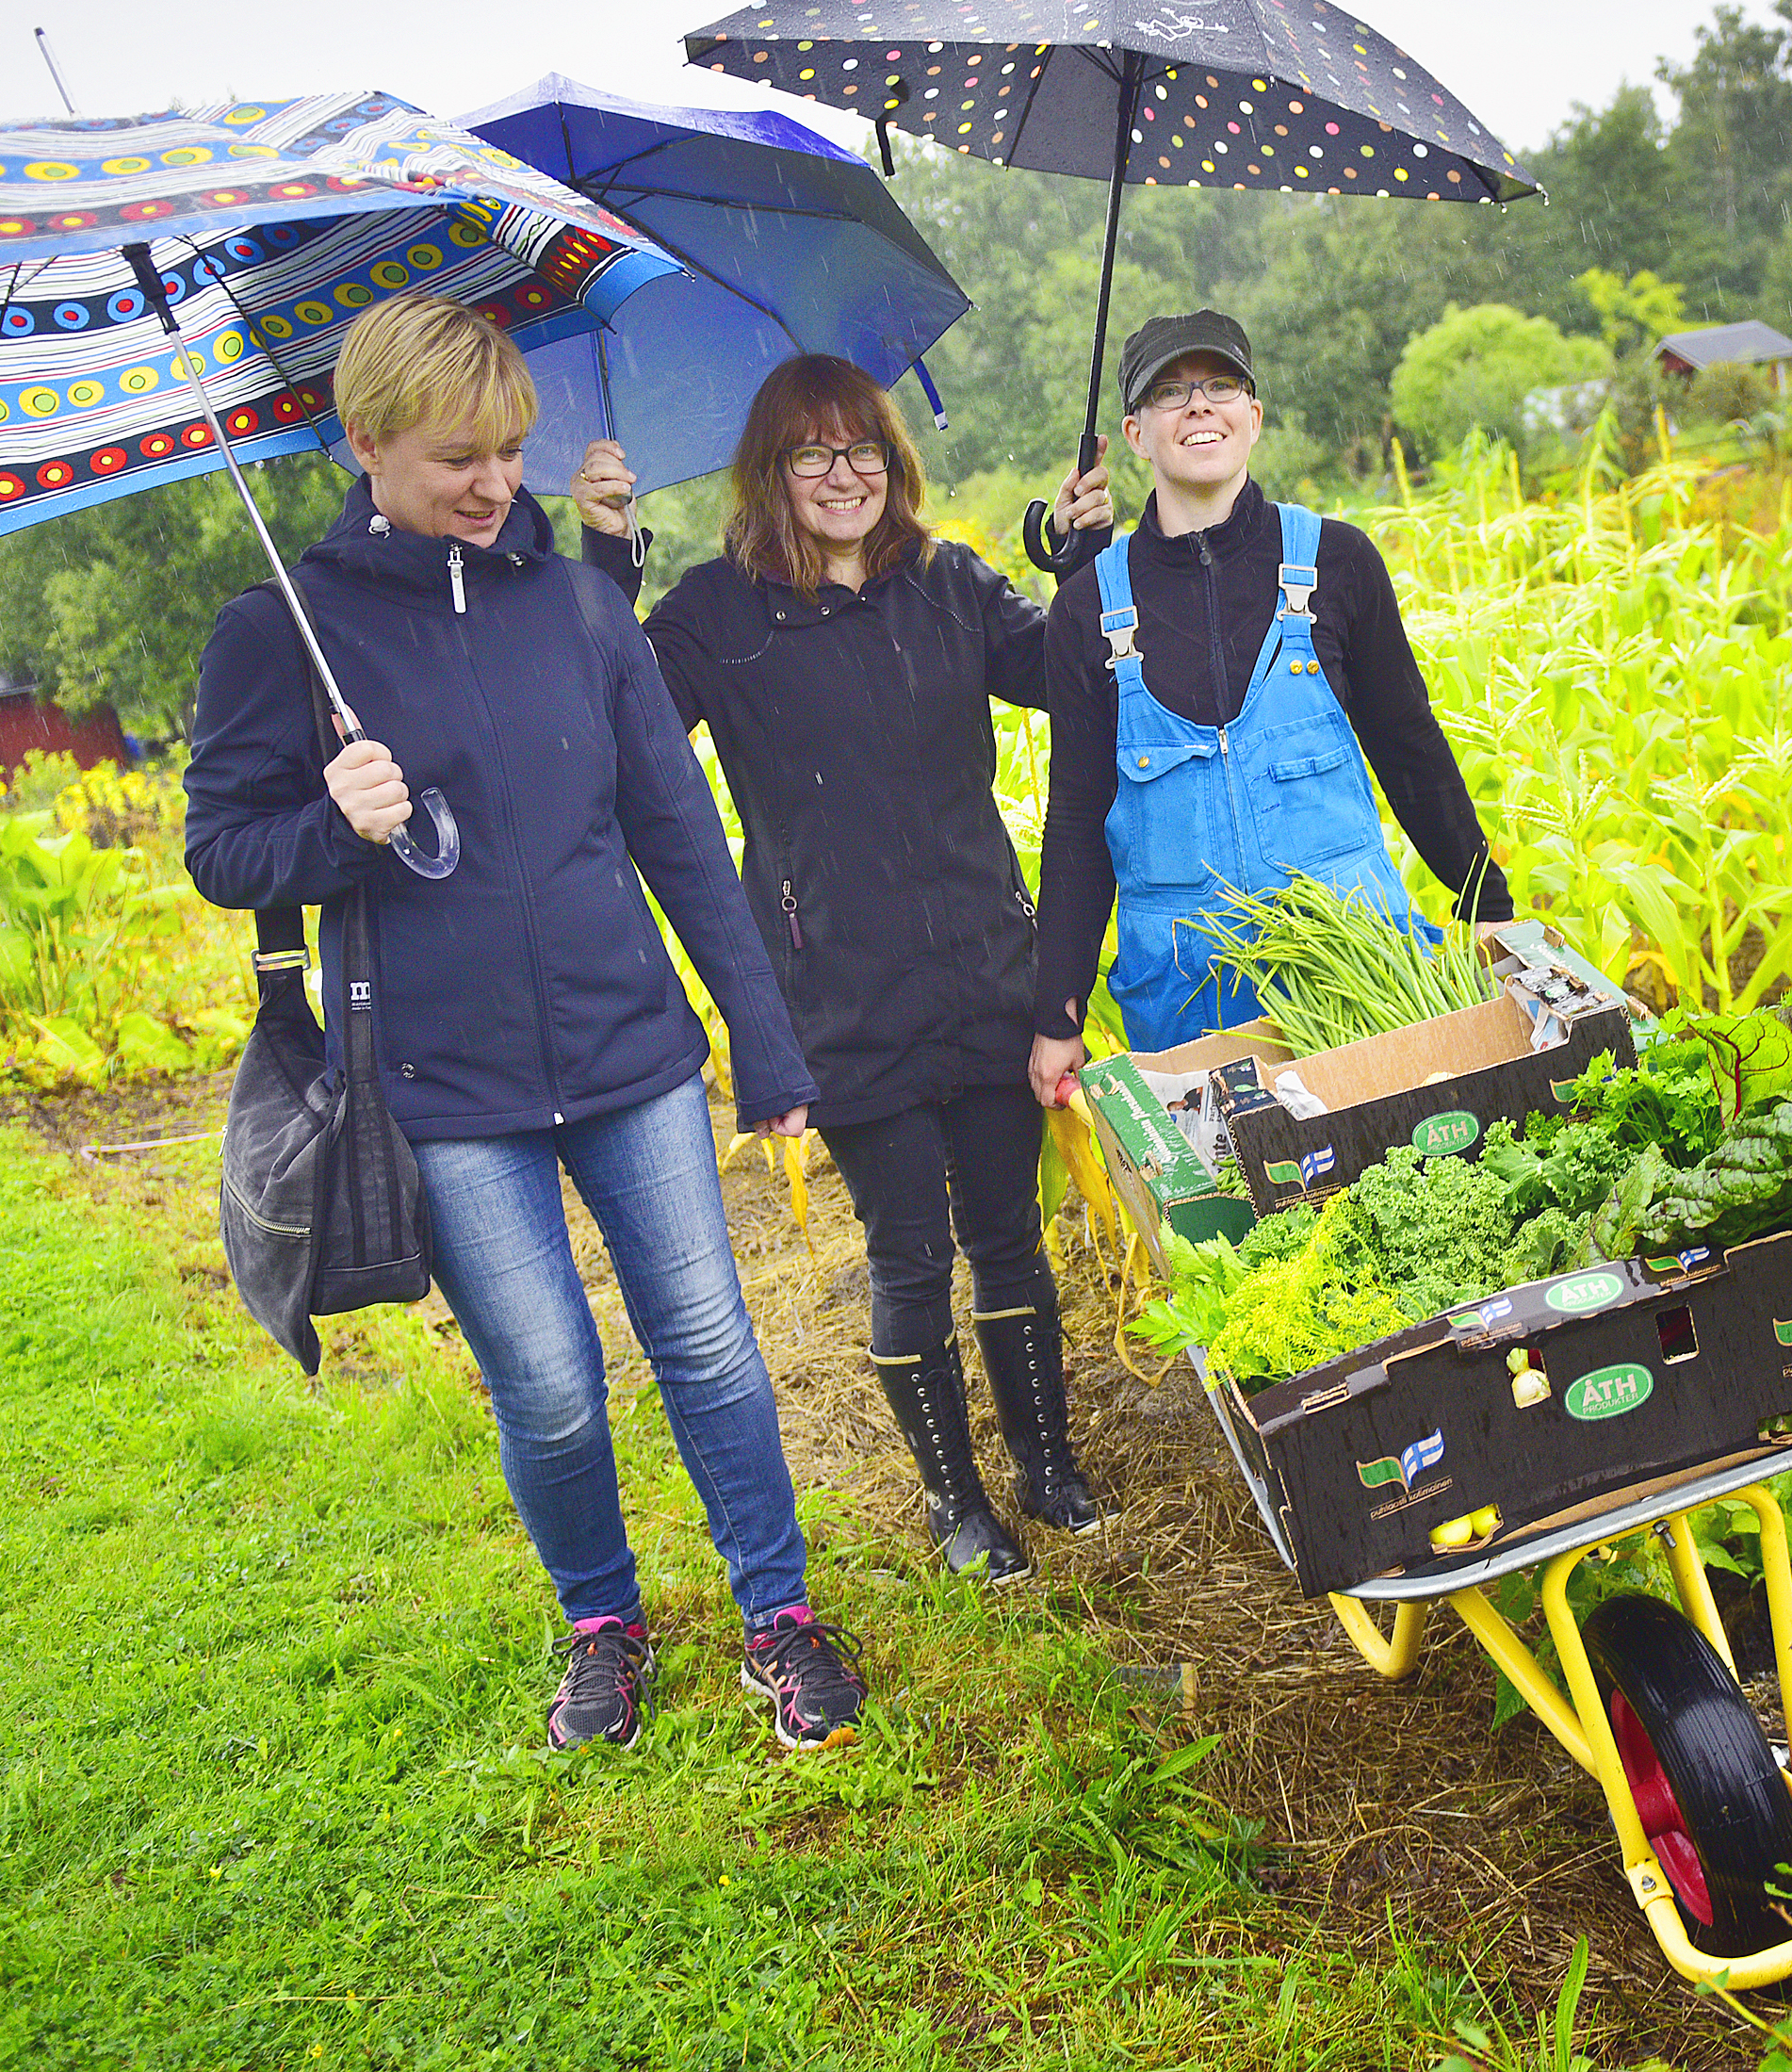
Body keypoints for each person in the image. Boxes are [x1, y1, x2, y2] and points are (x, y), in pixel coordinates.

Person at [185, 294, 867, 1754]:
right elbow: (222, 852)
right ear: (363, 442)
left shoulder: (576, 606)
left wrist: (767, 1043)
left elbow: (680, 835)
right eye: (454, 460)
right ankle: (603, 1625)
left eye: (506, 451)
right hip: (443, 1087)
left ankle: (778, 1615)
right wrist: (328, 825)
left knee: (710, 1343)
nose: (493, 487)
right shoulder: (278, 632)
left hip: (630, 1053)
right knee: (550, 1385)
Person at [571, 357, 1113, 1585]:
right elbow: (621, 725)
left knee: (1011, 1237)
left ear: (893, 461)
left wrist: (1081, 562)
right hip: (839, 997)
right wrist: (607, 555)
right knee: (911, 1250)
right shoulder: (717, 616)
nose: (842, 472)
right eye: (811, 452)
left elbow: (1066, 684)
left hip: (987, 968)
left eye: (862, 446)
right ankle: (954, 1498)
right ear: (770, 471)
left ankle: (1047, 1462)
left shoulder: (949, 582)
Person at [1026, 310, 1515, 1103]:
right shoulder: (1085, 611)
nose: (1198, 406)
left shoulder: (1337, 561)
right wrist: (1058, 1014)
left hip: (1360, 980)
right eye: (1169, 393)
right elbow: (1079, 823)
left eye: (1220, 386)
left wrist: (1485, 903)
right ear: (1134, 434)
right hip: (1192, 1002)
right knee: (1236, 1223)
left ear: (1252, 417)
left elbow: (1409, 749)